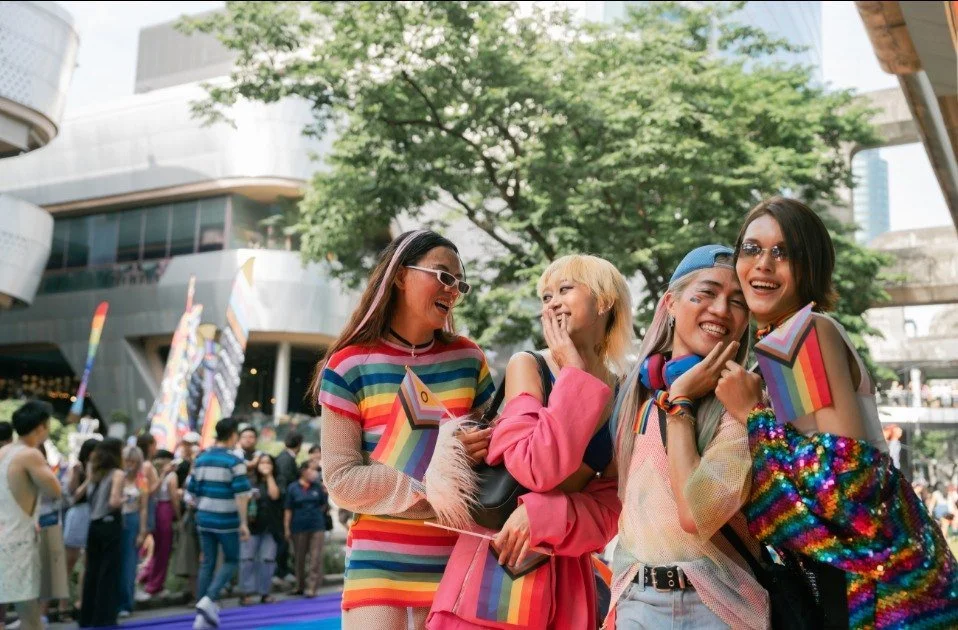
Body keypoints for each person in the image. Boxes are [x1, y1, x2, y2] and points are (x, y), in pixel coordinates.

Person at [715, 196, 958, 628]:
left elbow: (844, 482)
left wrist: (752, 414)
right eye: (751, 249)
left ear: (812, 267)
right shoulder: (779, 346)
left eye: (783, 252)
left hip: (880, 589)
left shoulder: (803, 334)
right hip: (858, 576)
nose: (763, 264)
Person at [429, 254, 631, 630]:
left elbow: (611, 507)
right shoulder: (528, 365)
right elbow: (535, 467)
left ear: (604, 301)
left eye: (565, 290)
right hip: (497, 563)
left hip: (568, 572)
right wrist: (573, 371)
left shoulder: (625, 391)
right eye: (546, 296)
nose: (552, 302)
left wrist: (544, 516)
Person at [316, 229, 495, 628]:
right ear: (399, 274)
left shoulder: (469, 358)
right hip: (376, 570)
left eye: (459, 283)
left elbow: (494, 458)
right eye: (443, 276)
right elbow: (342, 481)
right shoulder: (348, 366)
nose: (453, 291)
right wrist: (441, 469)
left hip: (460, 563)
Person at [604, 245, 767, 629]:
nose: (721, 310)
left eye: (737, 301)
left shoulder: (745, 405)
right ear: (670, 304)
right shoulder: (632, 395)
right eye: (706, 293)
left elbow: (695, 514)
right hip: (635, 605)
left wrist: (680, 403)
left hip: (721, 609)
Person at [0, 402, 63, 630]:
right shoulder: (30, 455)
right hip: (19, 543)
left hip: (4, 535)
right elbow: (55, 491)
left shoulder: (3, 452)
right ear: (41, 426)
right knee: (31, 620)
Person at [187, 417, 251, 629]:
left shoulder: (201, 458)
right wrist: (243, 523)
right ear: (233, 434)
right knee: (232, 560)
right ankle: (209, 599)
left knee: (207, 563)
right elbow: (242, 495)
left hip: (204, 519)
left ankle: (201, 614)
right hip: (227, 520)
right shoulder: (235, 461)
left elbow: (191, 492)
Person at [79, 438, 125, 628]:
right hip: (110, 524)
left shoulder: (95, 473)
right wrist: (129, 497)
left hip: (94, 525)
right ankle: (105, 618)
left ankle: (87, 617)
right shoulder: (117, 474)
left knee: (92, 571)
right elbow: (114, 502)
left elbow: (79, 494)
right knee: (109, 572)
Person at [137, 449, 180, 599]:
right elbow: (173, 497)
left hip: (156, 509)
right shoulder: (169, 475)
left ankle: (147, 578)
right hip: (165, 509)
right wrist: (179, 516)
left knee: (158, 549)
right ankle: (154, 585)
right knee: (163, 550)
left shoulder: (155, 473)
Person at [239, 454, 281, 606]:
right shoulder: (250, 482)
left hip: (270, 528)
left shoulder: (277, 480)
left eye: (268, 462)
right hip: (252, 527)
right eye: (262, 462)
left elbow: (275, 495)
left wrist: (269, 476)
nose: (265, 465)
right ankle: (245, 593)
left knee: (267, 560)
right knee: (247, 559)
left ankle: (265, 593)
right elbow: (242, 501)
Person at [63, 439, 100, 614]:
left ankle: (82, 602)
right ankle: (63, 604)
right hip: (78, 515)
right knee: (69, 563)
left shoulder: (102, 469)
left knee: (89, 562)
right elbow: (73, 496)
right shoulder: (77, 468)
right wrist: (88, 480)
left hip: (94, 515)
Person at [283, 461, 327, 598]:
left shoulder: (317, 487)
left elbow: (323, 504)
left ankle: (312, 588)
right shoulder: (293, 488)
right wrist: (287, 528)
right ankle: (299, 586)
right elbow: (288, 509)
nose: (314, 472)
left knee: (315, 557)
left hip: (316, 526)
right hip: (298, 527)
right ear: (303, 471)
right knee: (299, 557)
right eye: (312, 469)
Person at [117, 445, 148, 618]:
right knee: (115, 563)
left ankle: (125, 603)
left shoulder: (141, 480)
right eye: (127, 461)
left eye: (134, 462)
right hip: (116, 521)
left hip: (132, 519)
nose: (130, 465)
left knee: (129, 564)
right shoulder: (116, 477)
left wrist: (142, 531)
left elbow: (143, 508)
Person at [273, 431, 302, 584]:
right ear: (299, 445)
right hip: (284, 506)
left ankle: (282, 569)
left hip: (284, 505)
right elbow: (284, 483)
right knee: (284, 538)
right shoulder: (287, 460)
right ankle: (281, 571)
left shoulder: (283, 457)